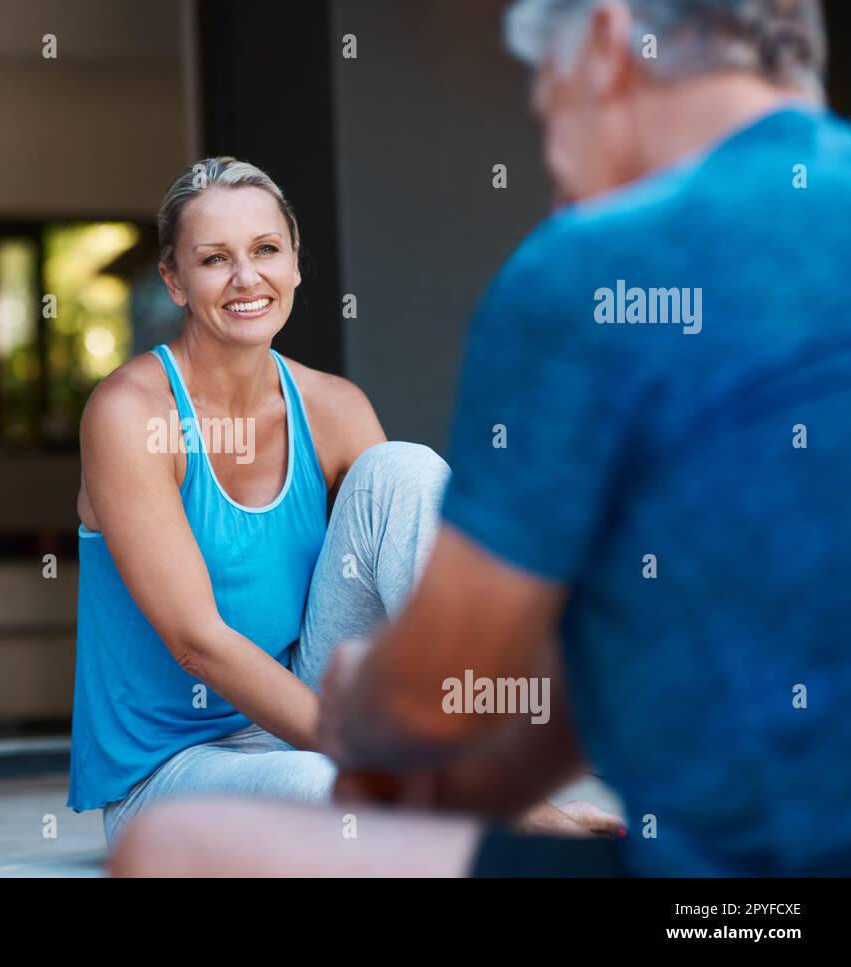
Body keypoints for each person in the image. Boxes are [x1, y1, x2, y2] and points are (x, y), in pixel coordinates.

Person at [109, 0, 851, 876]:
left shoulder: (587, 271)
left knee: (175, 849)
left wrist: (378, 711)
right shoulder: (131, 410)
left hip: (732, 894)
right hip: (203, 748)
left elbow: (464, 680)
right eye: (213, 258)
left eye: (545, 101)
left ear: (609, 45)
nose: (551, 154)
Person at [70, 157, 619, 847]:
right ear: (174, 281)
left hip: (301, 718)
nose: (246, 278)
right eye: (214, 259)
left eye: (266, 250)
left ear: (296, 263)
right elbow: (197, 642)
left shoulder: (331, 406)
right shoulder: (129, 413)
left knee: (405, 470)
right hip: (169, 774)